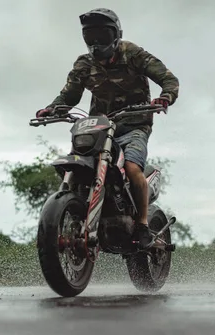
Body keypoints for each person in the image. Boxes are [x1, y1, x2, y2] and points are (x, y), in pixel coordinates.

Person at [35, 8, 179, 249]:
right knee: (78, 159)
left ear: (116, 34)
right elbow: (69, 95)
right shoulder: (83, 64)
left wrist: (165, 97)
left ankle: (142, 225)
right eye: (90, 36)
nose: (96, 43)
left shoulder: (132, 53)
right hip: (98, 126)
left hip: (134, 124)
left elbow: (168, 78)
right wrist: (53, 108)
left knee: (133, 168)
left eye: (102, 34)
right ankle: (78, 211)